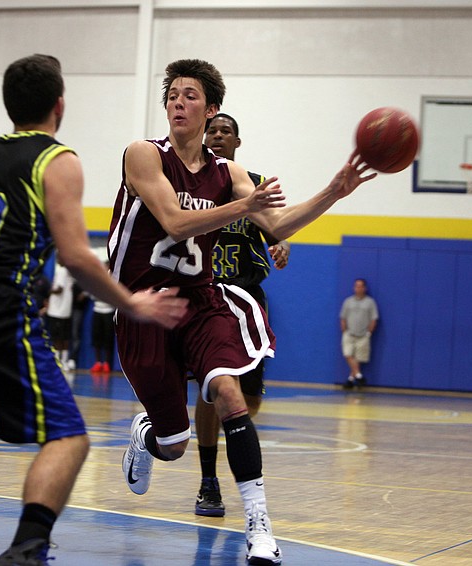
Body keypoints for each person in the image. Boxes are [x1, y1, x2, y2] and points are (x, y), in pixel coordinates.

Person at [0, 54, 186, 566]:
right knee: (68, 438)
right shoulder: (56, 158)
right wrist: (131, 301)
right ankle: (26, 550)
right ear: (59, 104)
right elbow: (73, 254)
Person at [108, 58, 376, 566]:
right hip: (143, 309)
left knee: (230, 391)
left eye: (190, 96)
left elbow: (278, 225)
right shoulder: (142, 154)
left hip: (201, 301)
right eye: (173, 95)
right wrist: (244, 206)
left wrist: (333, 192)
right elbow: (174, 219)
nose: (178, 103)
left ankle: (259, 525)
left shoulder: (228, 173)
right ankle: (149, 433)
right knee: (174, 445)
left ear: (210, 111)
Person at [193, 113, 290, 518]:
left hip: (247, 298)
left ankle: (230, 452)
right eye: (212, 131)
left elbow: (275, 229)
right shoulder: (190, 183)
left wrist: (280, 243)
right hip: (208, 297)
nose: (217, 136)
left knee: (246, 400)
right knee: (211, 388)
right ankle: (209, 481)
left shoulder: (252, 182)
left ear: (237, 141)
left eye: (225, 131)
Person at [340, 278, 379, 388]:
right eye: (356, 286)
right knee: (348, 354)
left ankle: (351, 379)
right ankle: (359, 375)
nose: (358, 288)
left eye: (360, 286)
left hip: (363, 335)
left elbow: (374, 318)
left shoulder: (370, 302)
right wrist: (344, 331)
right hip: (349, 333)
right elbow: (343, 317)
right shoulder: (348, 301)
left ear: (365, 288)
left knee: (358, 358)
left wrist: (368, 333)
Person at [46, 257, 76, 370]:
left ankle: (58, 360)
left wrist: (48, 291)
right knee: (65, 337)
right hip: (65, 310)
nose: (58, 259)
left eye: (59, 257)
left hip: (57, 310)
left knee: (57, 337)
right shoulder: (69, 272)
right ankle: (64, 360)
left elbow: (59, 289)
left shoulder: (62, 271)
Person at [89, 264, 115, 374]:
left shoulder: (114, 280)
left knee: (108, 339)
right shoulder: (97, 280)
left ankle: (107, 364)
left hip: (108, 311)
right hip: (97, 310)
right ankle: (98, 362)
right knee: (97, 338)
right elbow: (92, 295)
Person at [66, 280, 89, 370]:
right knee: (65, 334)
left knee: (75, 334)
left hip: (77, 310)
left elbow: (90, 290)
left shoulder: (84, 280)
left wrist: (84, 294)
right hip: (66, 308)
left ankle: (72, 359)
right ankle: (63, 357)